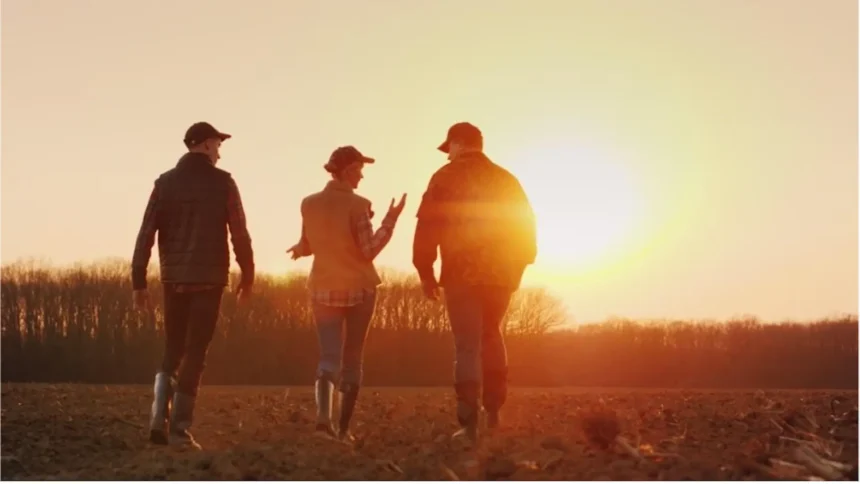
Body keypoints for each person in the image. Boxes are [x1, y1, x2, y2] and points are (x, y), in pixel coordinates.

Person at [131, 121, 255, 449]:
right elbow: (239, 231)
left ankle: (159, 416)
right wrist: (248, 273)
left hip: (174, 278)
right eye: (217, 144)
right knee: (196, 352)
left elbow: (146, 233)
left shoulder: (164, 183)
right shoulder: (224, 183)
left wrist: (138, 280)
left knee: (173, 347)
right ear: (202, 145)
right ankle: (180, 429)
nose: (219, 151)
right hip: (210, 278)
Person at [412, 122, 537, 441]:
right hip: (500, 275)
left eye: (449, 147)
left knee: (466, 344)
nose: (448, 154)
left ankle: (468, 424)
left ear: (457, 143)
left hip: (461, 273)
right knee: (492, 334)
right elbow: (526, 227)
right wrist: (518, 267)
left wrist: (425, 271)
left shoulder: (445, 177)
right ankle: (493, 413)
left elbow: (428, 225)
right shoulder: (507, 179)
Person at [287, 146, 406, 441]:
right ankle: (343, 429)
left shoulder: (308, 203)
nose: (362, 176)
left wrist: (299, 251)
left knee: (328, 356)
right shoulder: (359, 205)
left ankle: (322, 422)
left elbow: (308, 243)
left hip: (322, 288)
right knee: (353, 358)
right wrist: (390, 221)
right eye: (359, 170)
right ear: (348, 170)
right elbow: (369, 250)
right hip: (358, 288)